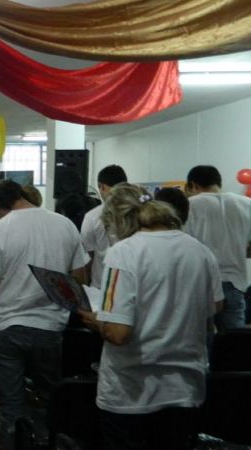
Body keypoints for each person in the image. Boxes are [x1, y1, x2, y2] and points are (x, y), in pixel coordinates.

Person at [78, 183, 222, 450]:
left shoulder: (123, 252)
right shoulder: (199, 250)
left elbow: (118, 333)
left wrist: (96, 321)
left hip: (132, 391)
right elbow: (216, 305)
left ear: (118, 220)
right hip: (185, 388)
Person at [0, 180, 88, 450]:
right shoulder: (64, 224)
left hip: (6, 327)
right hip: (50, 327)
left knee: (11, 405)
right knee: (48, 400)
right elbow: (79, 279)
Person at [184, 165, 251, 331]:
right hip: (236, 283)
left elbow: (182, 246)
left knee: (201, 339)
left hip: (201, 284)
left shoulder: (189, 205)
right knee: (235, 341)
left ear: (194, 185)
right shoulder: (246, 203)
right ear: (218, 182)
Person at [80, 165, 127, 287]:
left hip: (102, 286)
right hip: (131, 285)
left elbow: (88, 257)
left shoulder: (92, 216)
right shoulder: (140, 212)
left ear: (102, 187)